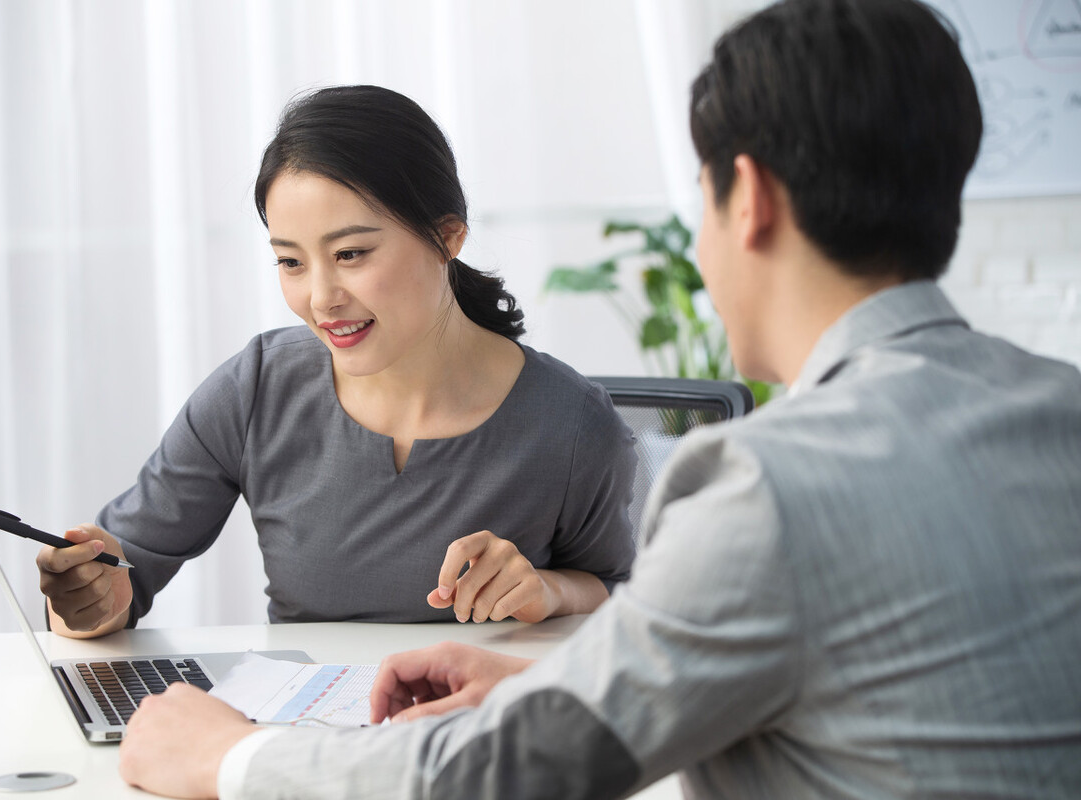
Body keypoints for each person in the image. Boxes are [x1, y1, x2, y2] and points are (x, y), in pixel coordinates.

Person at [119, 0, 1081, 797]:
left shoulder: (761, 484)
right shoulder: (1063, 414)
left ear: (746, 200)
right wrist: (542, 680)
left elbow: (512, 776)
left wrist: (230, 757)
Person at [37, 85, 637, 637]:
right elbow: (121, 574)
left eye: (350, 253)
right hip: (304, 734)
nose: (320, 298)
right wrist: (88, 598)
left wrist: (548, 589)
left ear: (447, 236)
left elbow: (626, 597)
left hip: (483, 738)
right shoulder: (258, 388)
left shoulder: (573, 423)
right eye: (291, 262)